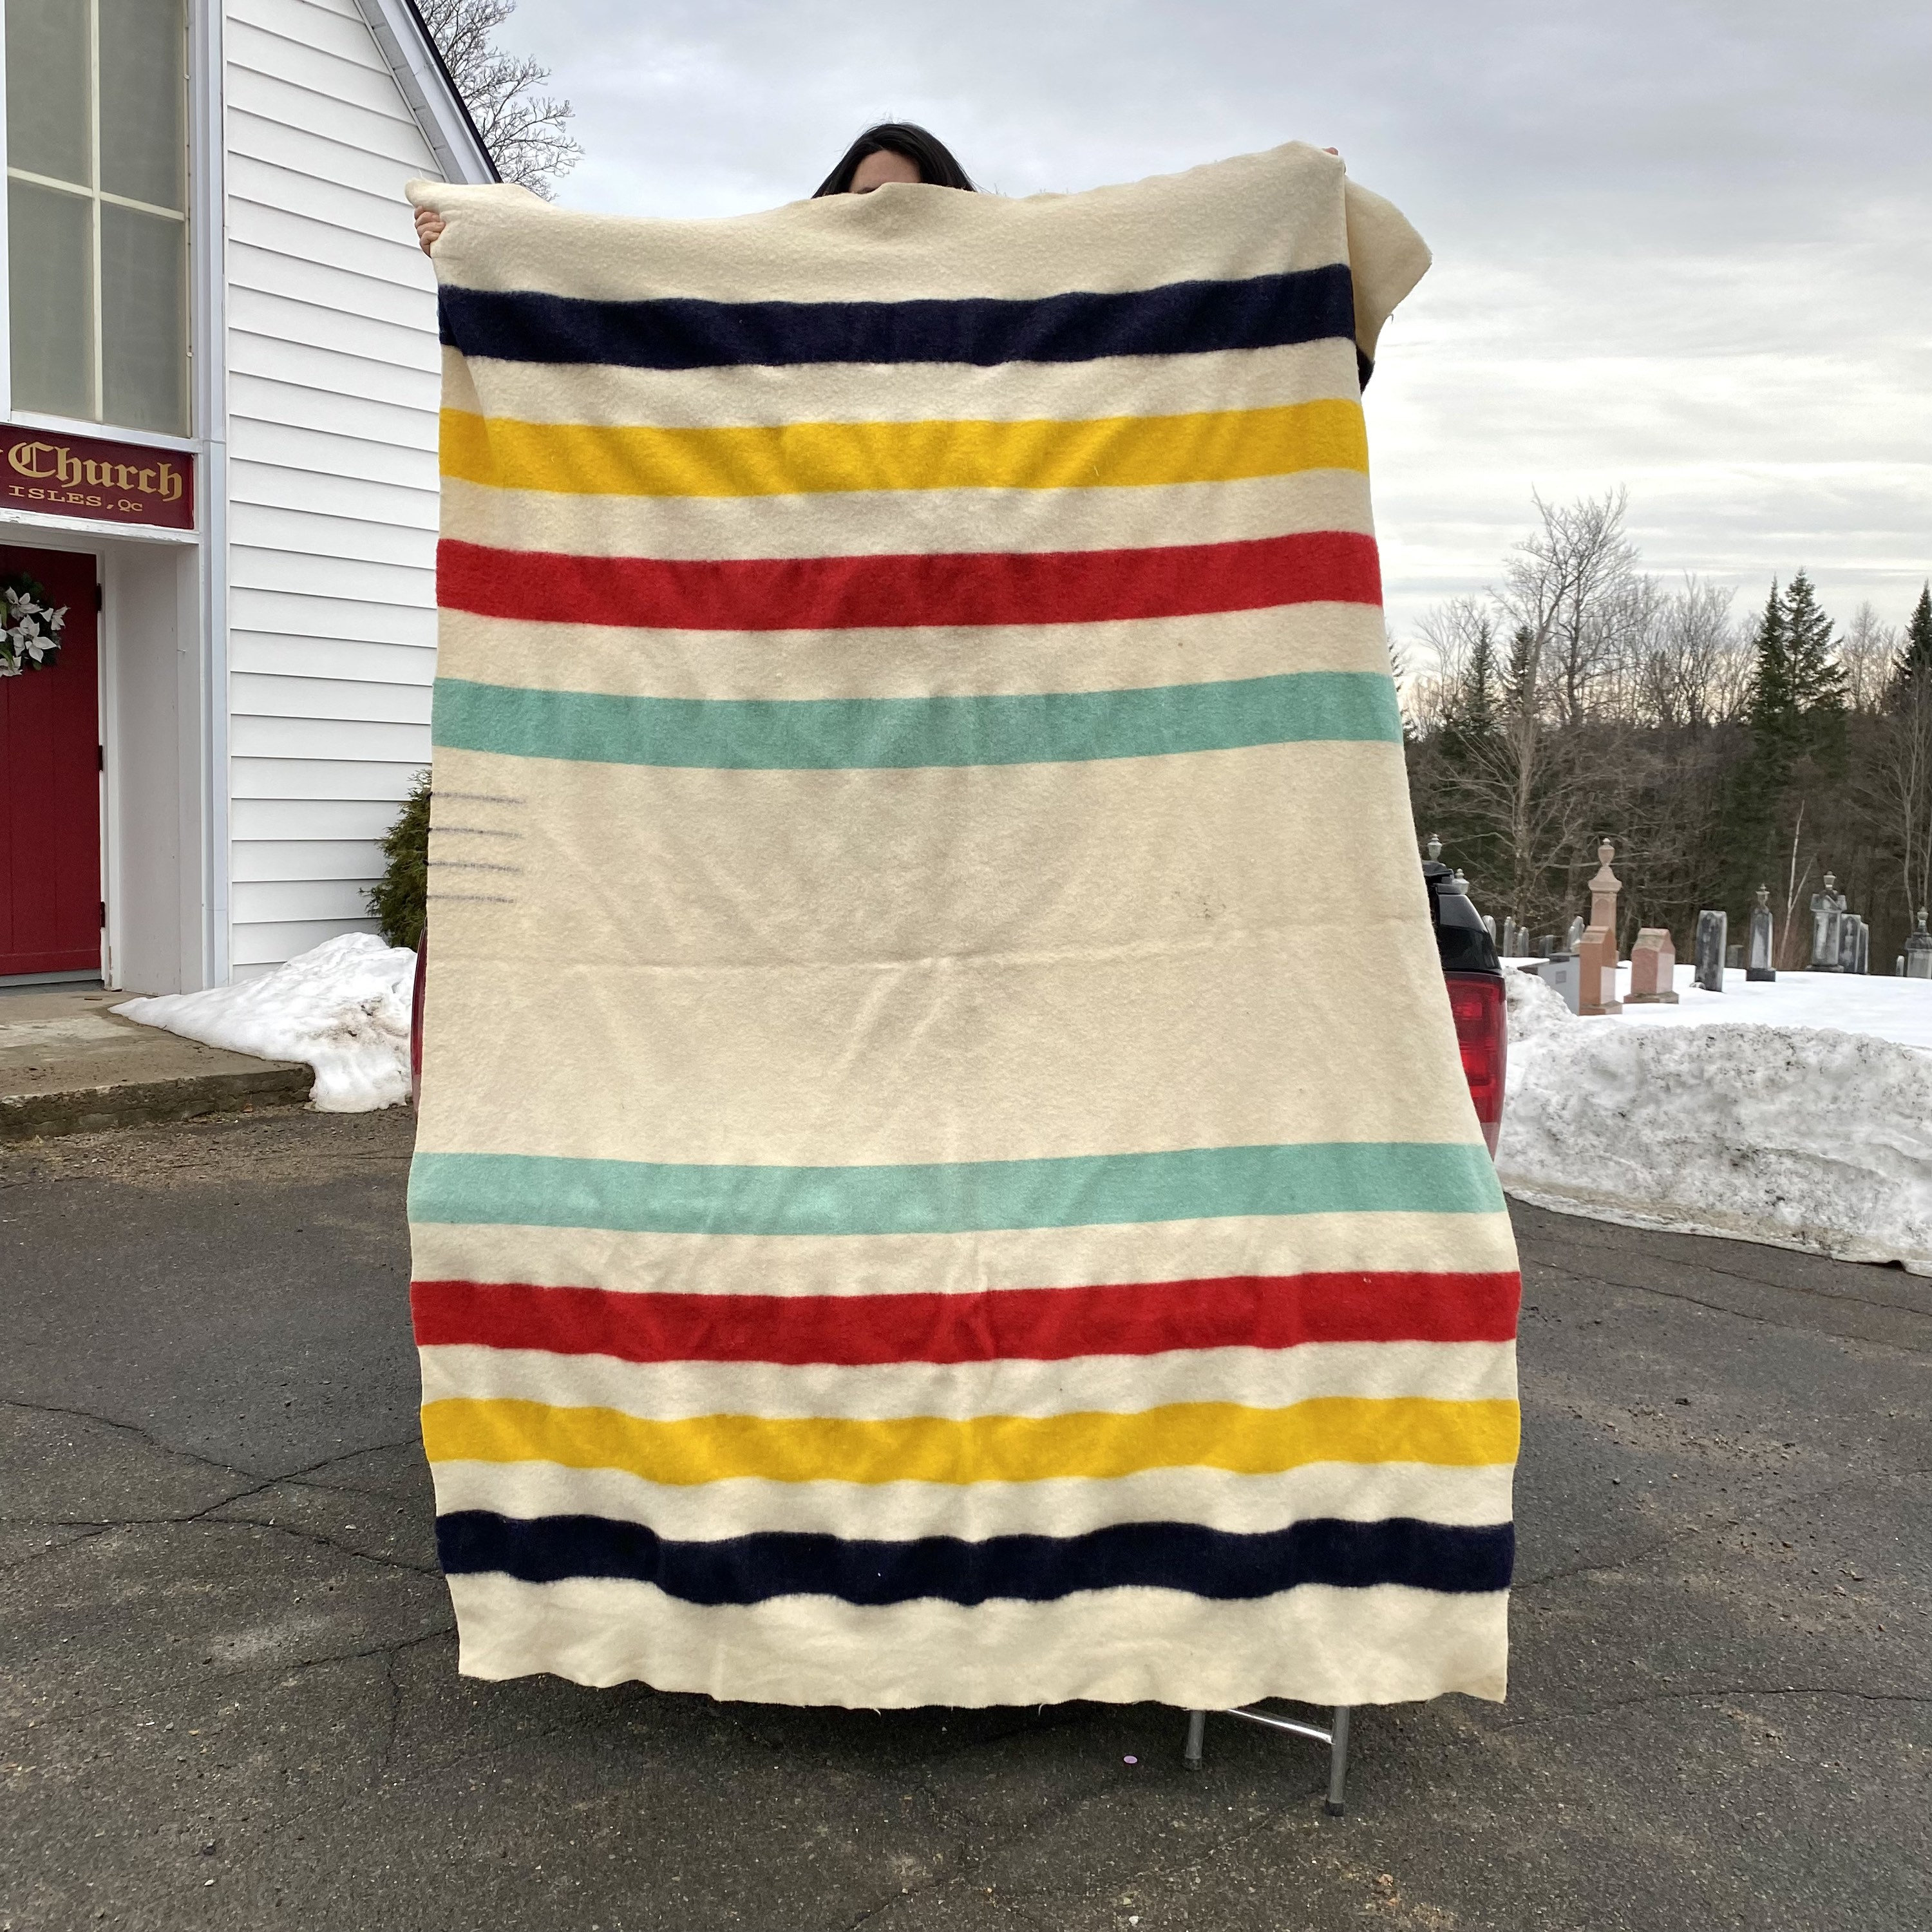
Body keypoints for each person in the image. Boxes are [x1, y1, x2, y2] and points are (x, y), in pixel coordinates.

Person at [413, 120, 975, 255]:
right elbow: (631, 274)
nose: (886, 215)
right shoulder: (794, 289)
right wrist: (483, 246)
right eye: (867, 199)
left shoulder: (1009, 309)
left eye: (914, 200)